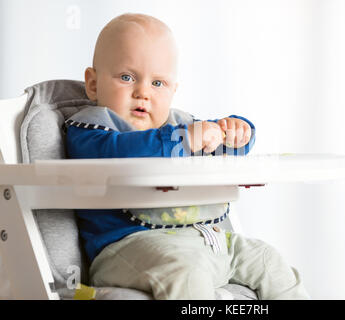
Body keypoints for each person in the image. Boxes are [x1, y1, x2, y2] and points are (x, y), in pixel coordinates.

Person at [65, 13, 309, 300]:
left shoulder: (178, 125)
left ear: (173, 91)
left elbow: (213, 147)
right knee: (187, 275)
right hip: (132, 250)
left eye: (158, 83)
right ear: (93, 84)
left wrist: (233, 134)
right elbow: (122, 152)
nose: (143, 92)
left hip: (210, 243)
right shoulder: (91, 130)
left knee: (270, 262)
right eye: (127, 77)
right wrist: (184, 138)